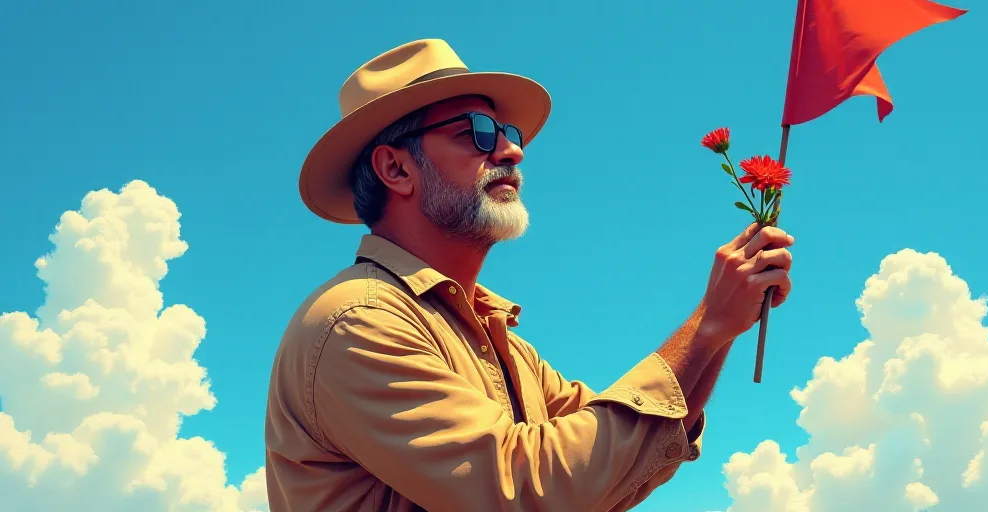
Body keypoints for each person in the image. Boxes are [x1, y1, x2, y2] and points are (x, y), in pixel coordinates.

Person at [264, 39, 794, 512]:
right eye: (476, 133)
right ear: (396, 169)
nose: (511, 150)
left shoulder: (508, 349)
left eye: (508, 132)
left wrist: (726, 324)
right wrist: (707, 325)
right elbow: (528, 487)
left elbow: (617, 460)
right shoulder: (358, 322)